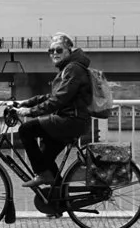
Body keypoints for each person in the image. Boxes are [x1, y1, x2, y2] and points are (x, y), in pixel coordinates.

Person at [8, 33, 95, 189]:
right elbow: (52, 96)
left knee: (26, 129)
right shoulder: (68, 68)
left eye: (58, 50)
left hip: (71, 120)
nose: (54, 53)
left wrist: (30, 112)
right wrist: (26, 103)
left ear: (69, 50)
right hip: (71, 120)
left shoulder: (73, 69)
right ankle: (59, 199)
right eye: (51, 51)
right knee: (45, 157)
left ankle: (42, 175)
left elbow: (59, 99)